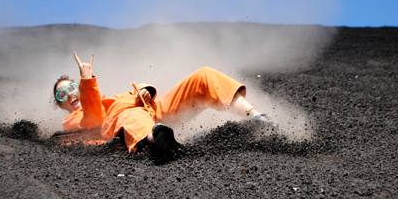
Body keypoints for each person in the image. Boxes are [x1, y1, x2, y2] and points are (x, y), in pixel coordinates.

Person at [54, 52, 276, 159]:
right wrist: (86, 80)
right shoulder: (72, 121)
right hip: (128, 124)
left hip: (155, 110)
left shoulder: (109, 98)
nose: (70, 94)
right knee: (130, 117)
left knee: (203, 76)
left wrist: (144, 89)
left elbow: (137, 90)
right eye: (62, 93)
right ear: (60, 103)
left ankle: (255, 116)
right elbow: (94, 119)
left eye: (72, 86)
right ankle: (158, 141)